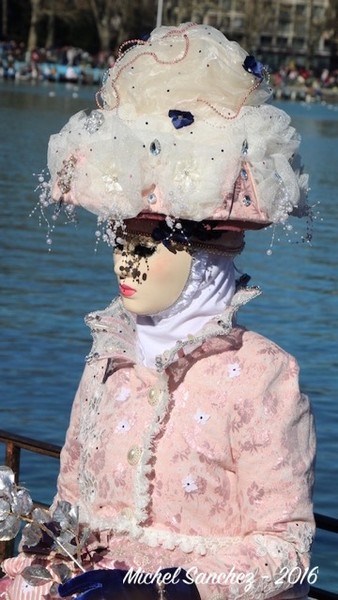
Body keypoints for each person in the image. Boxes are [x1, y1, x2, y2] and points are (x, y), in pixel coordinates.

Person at [0, 23, 315, 600]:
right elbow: (71, 505)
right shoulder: (108, 356)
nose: (127, 259)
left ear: (204, 256)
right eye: (121, 239)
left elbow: (284, 549)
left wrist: (166, 590)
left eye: (149, 241)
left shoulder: (263, 374)